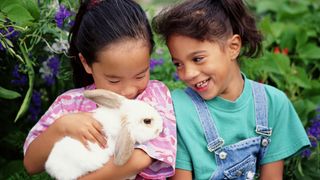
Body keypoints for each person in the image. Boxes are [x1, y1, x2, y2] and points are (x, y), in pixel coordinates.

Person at [152, 0, 310, 179]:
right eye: (178, 64)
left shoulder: (272, 103)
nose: (188, 74)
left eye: (197, 59)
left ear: (233, 47)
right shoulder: (177, 109)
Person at [23, 0, 176, 179]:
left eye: (140, 75)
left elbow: (140, 159)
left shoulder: (155, 96)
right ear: (86, 63)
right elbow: (31, 164)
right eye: (114, 80)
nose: (128, 91)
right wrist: (61, 127)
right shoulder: (69, 104)